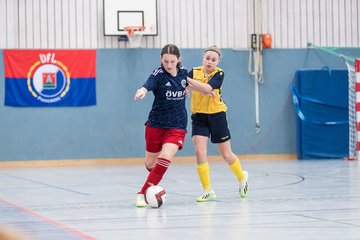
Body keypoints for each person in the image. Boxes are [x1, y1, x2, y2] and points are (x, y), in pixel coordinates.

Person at [186, 45, 249, 202]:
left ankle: (242, 177)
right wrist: (191, 87)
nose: (210, 62)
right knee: (200, 152)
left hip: (217, 116)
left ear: (218, 61)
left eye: (213, 60)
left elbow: (207, 87)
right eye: (207, 58)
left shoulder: (219, 74)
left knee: (226, 155)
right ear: (203, 58)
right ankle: (207, 190)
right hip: (199, 117)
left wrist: (192, 84)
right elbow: (185, 87)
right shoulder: (194, 72)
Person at [133, 44, 189, 207]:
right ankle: (154, 180)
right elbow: (147, 84)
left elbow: (189, 83)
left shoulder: (185, 73)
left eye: (172, 61)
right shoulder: (157, 74)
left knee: (165, 158)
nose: (169, 65)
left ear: (178, 60)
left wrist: (191, 90)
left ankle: (142, 193)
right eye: (165, 61)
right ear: (161, 60)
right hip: (156, 124)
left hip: (177, 125)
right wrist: (142, 90)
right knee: (151, 164)